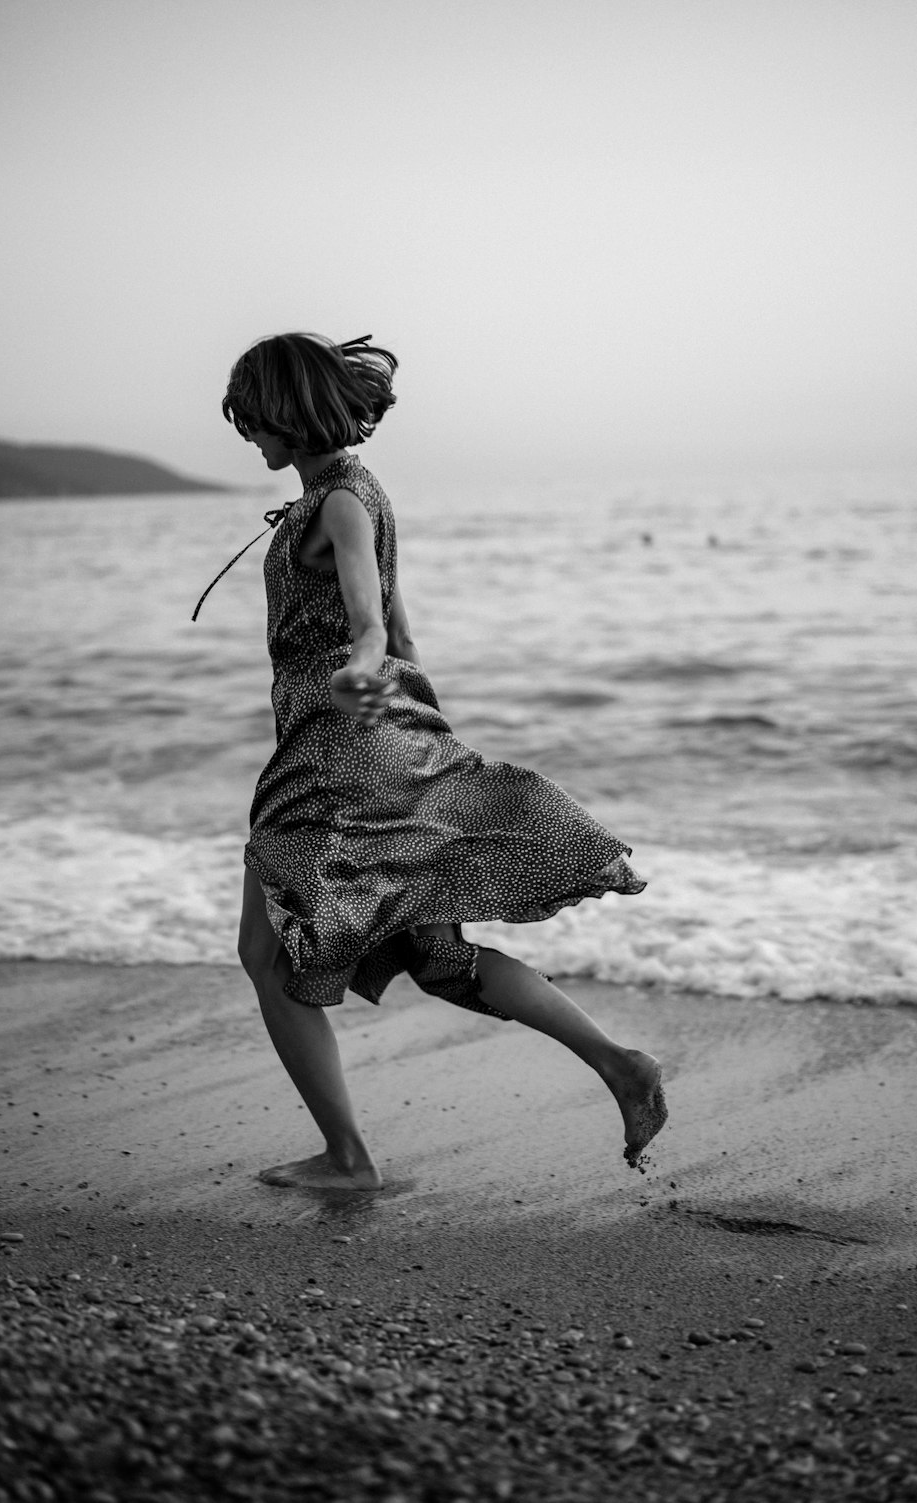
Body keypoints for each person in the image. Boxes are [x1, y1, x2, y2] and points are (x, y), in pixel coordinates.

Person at [196, 332, 667, 1191]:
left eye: (254, 421)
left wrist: (360, 673)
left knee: (265, 953)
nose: (250, 438)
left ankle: (347, 1159)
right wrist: (424, 745)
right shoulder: (366, 493)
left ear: (289, 413)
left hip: (332, 755)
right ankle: (618, 1063)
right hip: (385, 740)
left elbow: (376, 628)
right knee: (438, 959)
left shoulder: (338, 503)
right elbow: (407, 635)